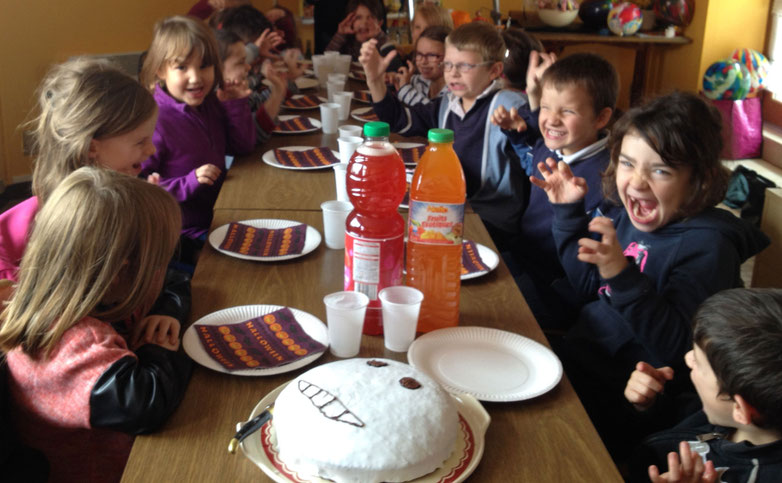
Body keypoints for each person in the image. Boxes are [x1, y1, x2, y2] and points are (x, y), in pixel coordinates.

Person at [532, 91, 769, 460]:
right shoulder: (630, 214)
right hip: (580, 357)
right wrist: (567, 215)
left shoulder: (709, 247)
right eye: (627, 163)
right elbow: (587, 286)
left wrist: (621, 274)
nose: (637, 182)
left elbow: (678, 348)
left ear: (698, 180)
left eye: (660, 170)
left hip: (630, 399)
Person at [0, 167, 193, 483]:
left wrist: (168, 313)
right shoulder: (67, 342)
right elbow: (145, 404)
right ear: (121, 271)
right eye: (159, 261)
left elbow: (176, 281)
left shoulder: (101, 292)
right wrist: (160, 345)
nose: (164, 270)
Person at [0, 57, 190, 324]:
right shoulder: (46, 233)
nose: (151, 150)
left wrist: (165, 310)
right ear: (92, 147)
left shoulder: (123, 204)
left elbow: (160, 283)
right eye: (140, 141)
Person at [362, 21, 528, 244]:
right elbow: (401, 121)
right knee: (386, 225)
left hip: (491, 222)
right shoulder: (448, 103)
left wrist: (523, 127)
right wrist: (374, 81)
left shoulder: (509, 106)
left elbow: (537, 150)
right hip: (452, 210)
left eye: (465, 66)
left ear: (494, 70)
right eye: (448, 65)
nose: (453, 74)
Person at [490, 51, 617, 329]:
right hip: (523, 257)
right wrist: (517, 134)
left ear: (600, 118)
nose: (551, 119)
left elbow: (590, 270)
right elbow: (531, 164)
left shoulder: (610, 178)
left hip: (554, 287)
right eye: (545, 107)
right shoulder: (551, 148)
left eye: (567, 111)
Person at [626, 288, 782, 482]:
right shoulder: (722, 409)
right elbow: (682, 420)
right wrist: (651, 404)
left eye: (699, 362)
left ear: (739, 409)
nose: (688, 358)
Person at [139, 15, 255, 259]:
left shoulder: (209, 103)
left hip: (221, 213)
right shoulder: (154, 121)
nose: (196, 77)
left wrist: (234, 105)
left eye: (204, 65)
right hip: (184, 235)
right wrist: (188, 182)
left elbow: (243, 146)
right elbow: (140, 188)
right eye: (182, 67)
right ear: (161, 70)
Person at [214, 28, 286, 146]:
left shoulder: (232, 91)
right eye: (241, 62)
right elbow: (252, 138)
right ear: (217, 68)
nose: (248, 67)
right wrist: (278, 92)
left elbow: (256, 102)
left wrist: (279, 88)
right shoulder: (216, 101)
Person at [327, 0, 402, 72]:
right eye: (358, 17)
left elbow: (396, 69)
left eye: (370, 17)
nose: (364, 22)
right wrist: (340, 35)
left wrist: (380, 36)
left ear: (379, 24)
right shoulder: (346, 43)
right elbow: (326, 62)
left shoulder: (383, 45)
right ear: (350, 21)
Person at [393, 25, 449, 106]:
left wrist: (405, 89)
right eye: (419, 54)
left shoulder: (453, 91)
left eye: (431, 55)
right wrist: (394, 77)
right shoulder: (420, 81)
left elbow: (433, 115)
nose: (423, 62)